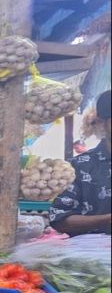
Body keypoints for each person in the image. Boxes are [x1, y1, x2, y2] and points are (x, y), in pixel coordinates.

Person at [50, 90, 111, 235]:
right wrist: (107, 219)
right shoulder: (80, 166)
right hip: (92, 255)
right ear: (102, 123)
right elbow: (60, 220)